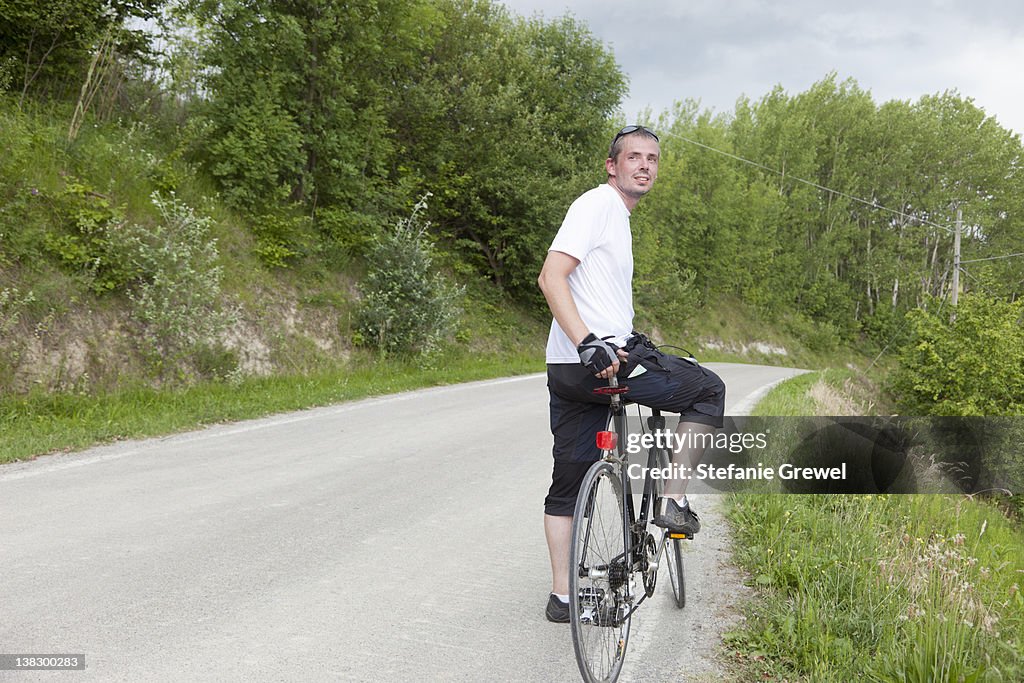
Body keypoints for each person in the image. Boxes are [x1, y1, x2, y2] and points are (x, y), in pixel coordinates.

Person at [537, 125, 727, 623]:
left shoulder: (616, 217)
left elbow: (590, 291)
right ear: (612, 165)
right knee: (708, 389)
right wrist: (589, 342)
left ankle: (563, 599)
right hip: (601, 363)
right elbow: (550, 275)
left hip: (567, 370)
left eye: (652, 159)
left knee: (568, 484)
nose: (644, 165)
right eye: (634, 157)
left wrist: (595, 338)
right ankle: (673, 502)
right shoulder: (598, 205)